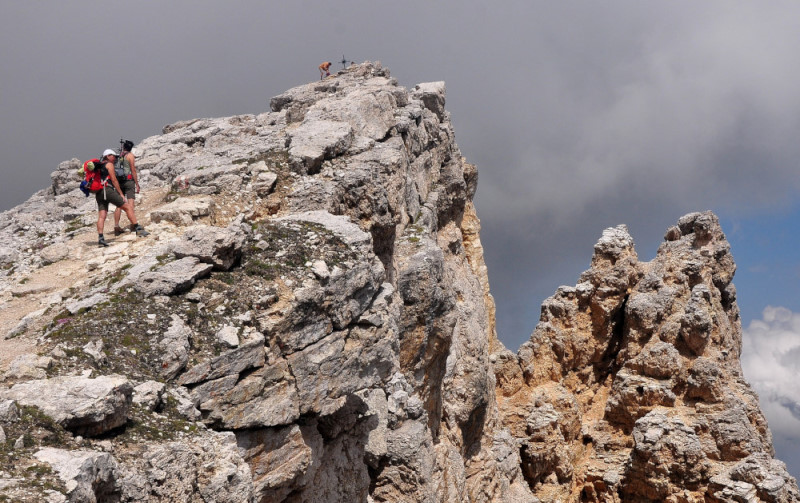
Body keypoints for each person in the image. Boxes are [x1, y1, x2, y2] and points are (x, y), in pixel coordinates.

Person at [95, 149, 149, 247]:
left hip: (98, 193)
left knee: (102, 215)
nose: (115, 158)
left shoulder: (98, 166)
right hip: (108, 190)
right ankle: (138, 229)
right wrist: (121, 194)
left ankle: (101, 238)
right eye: (113, 156)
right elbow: (114, 180)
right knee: (127, 207)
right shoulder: (109, 165)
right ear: (108, 156)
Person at [113, 140, 142, 236]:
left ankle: (116, 226)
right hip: (129, 181)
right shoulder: (130, 156)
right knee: (130, 202)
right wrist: (137, 183)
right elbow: (133, 170)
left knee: (118, 205)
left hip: (119, 181)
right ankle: (133, 225)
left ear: (124, 147)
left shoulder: (119, 156)